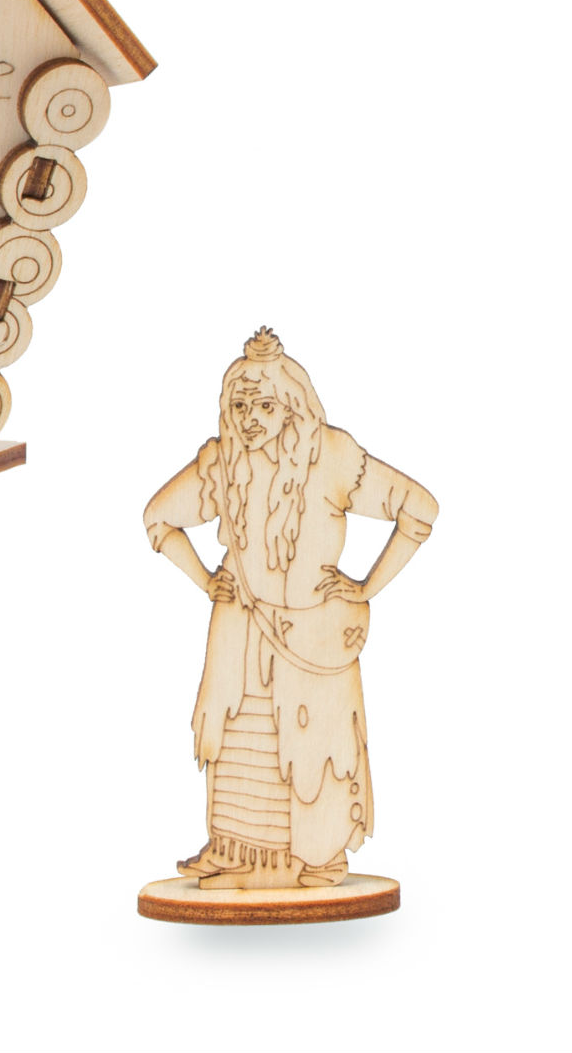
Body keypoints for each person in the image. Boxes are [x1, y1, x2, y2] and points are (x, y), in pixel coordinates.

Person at [143, 327, 438, 889]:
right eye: (240, 407)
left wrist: (366, 587)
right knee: (239, 747)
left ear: (291, 404)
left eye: (265, 405)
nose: (251, 419)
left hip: (312, 641)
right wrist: (206, 581)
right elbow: (158, 517)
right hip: (238, 637)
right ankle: (237, 855)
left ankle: (318, 859)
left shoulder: (332, 455)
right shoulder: (223, 460)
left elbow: (418, 507)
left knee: (311, 754)